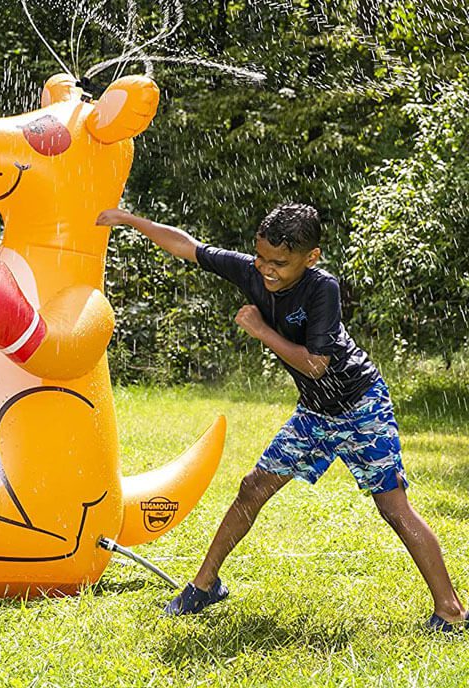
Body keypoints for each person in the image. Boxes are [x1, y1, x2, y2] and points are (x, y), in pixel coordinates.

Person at [97, 203, 466, 632]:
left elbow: (316, 365)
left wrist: (261, 331)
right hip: (315, 412)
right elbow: (189, 246)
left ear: (311, 257)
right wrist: (128, 219)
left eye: (280, 263)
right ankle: (204, 584)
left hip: (361, 406)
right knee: (252, 487)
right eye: (261, 258)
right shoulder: (252, 271)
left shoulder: (320, 288)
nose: (267, 270)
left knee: (394, 510)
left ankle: (452, 611)